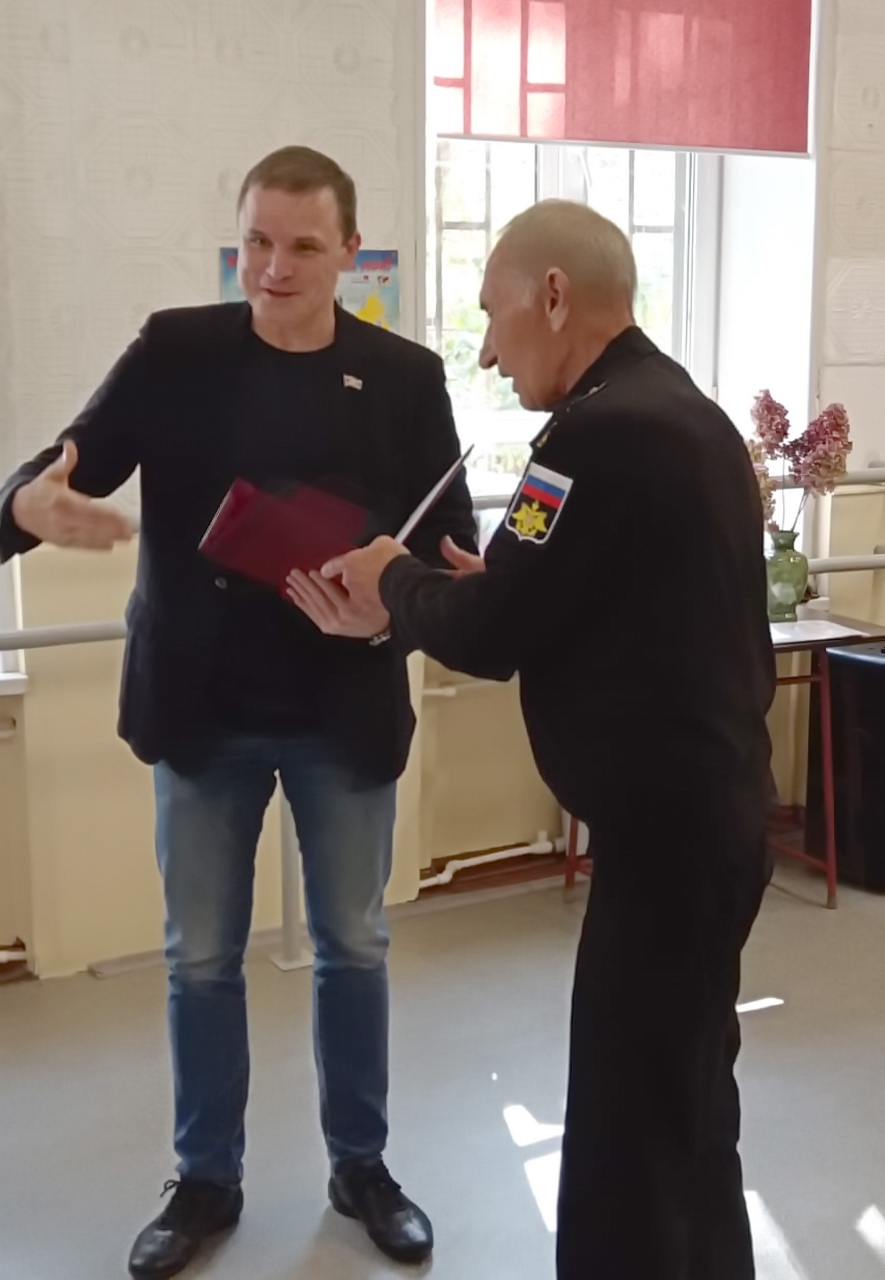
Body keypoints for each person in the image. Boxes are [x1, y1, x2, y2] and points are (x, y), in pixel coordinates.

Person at [0, 146, 477, 1278]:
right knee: (201, 958)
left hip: (341, 709)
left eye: (303, 246)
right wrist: (27, 506)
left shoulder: (403, 376)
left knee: (353, 946)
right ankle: (205, 1176)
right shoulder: (177, 351)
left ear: (348, 252)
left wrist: (397, 610)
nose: (274, 268)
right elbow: (64, 466)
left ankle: (361, 1165)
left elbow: (450, 546)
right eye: (257, 242)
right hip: (203, 710)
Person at [287, 199, 776, 1280]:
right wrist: (481, 586)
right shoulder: (682, 411)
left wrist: (393, 578)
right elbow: (584, 597)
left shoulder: (591, 436)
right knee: (689, 1106)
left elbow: (494, 633)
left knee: (622, 1135)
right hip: (711, 819)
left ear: (554, 296)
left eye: (493, 311)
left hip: (664, 844)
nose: (486, 345)